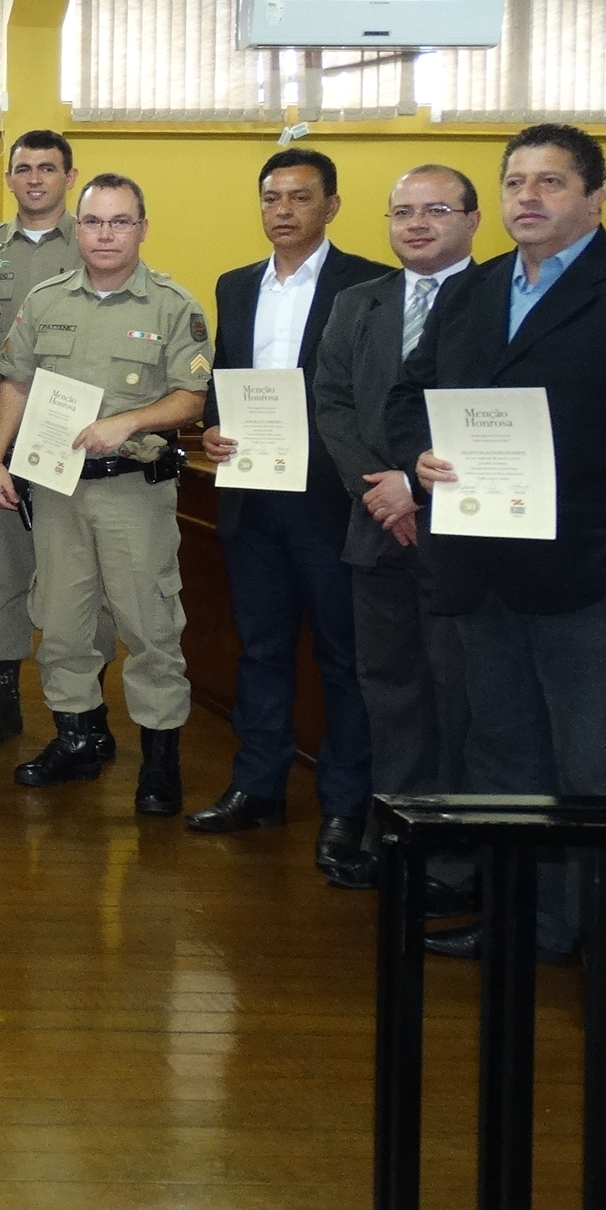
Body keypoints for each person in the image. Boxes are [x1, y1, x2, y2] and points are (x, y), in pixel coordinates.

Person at [391, 124, 606, 983]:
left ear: (595, 198)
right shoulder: (471, 292)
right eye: (515, 183)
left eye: (551, 182)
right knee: (505, 769)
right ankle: (528, 930)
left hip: (595, 580)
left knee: (601, 776)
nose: (528, 198)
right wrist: (417, 455)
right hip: (483, 575)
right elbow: (408, 395)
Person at [0, 175, 210, 813]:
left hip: (132, 492)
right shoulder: (46, 299)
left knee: (148, 625)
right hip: (57, 490)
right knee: (61, 622)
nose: (105, 234)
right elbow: (16, 382)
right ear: (77, 228)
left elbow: (192, 397)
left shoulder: (171, 305)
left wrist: (130, 421)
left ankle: (160, 760)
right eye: (93, 222)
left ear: (142, 228)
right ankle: (78, 739)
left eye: (119, 222)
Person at [190, 149, 390, 870]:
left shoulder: (369, 284)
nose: (283, 210)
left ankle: (345, 805)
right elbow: (226, 373)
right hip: (252, 500)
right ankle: (258, 787)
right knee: (261, 651)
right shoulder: (236, 284)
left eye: (300, 197)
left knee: (343, 658)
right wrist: (213, 425)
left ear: (330, 205)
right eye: (271, 197)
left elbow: (374, 394)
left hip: (331, 501)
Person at [310, 166, 483, 898]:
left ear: (473, 220)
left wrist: (414, 488)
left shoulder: (498, 298)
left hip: (467, 537)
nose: (416, 223)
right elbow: (332, 402)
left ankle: (457, 862)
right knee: (391, 694)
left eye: (436, 209)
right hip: (376, 529)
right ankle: (398, 843)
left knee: (462, 700)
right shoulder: (359, 302)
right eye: (402, 210)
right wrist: (382, 490)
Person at [0, 131, 103, 749]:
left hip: (81, 428)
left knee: (84, 570)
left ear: (70, 176)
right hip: (4, 425)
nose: (35, 179)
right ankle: (1, 697)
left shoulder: (93, 239)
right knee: (8, 565)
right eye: (24, 168)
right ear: (9, 178)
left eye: (47, 168)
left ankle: (88, 710)